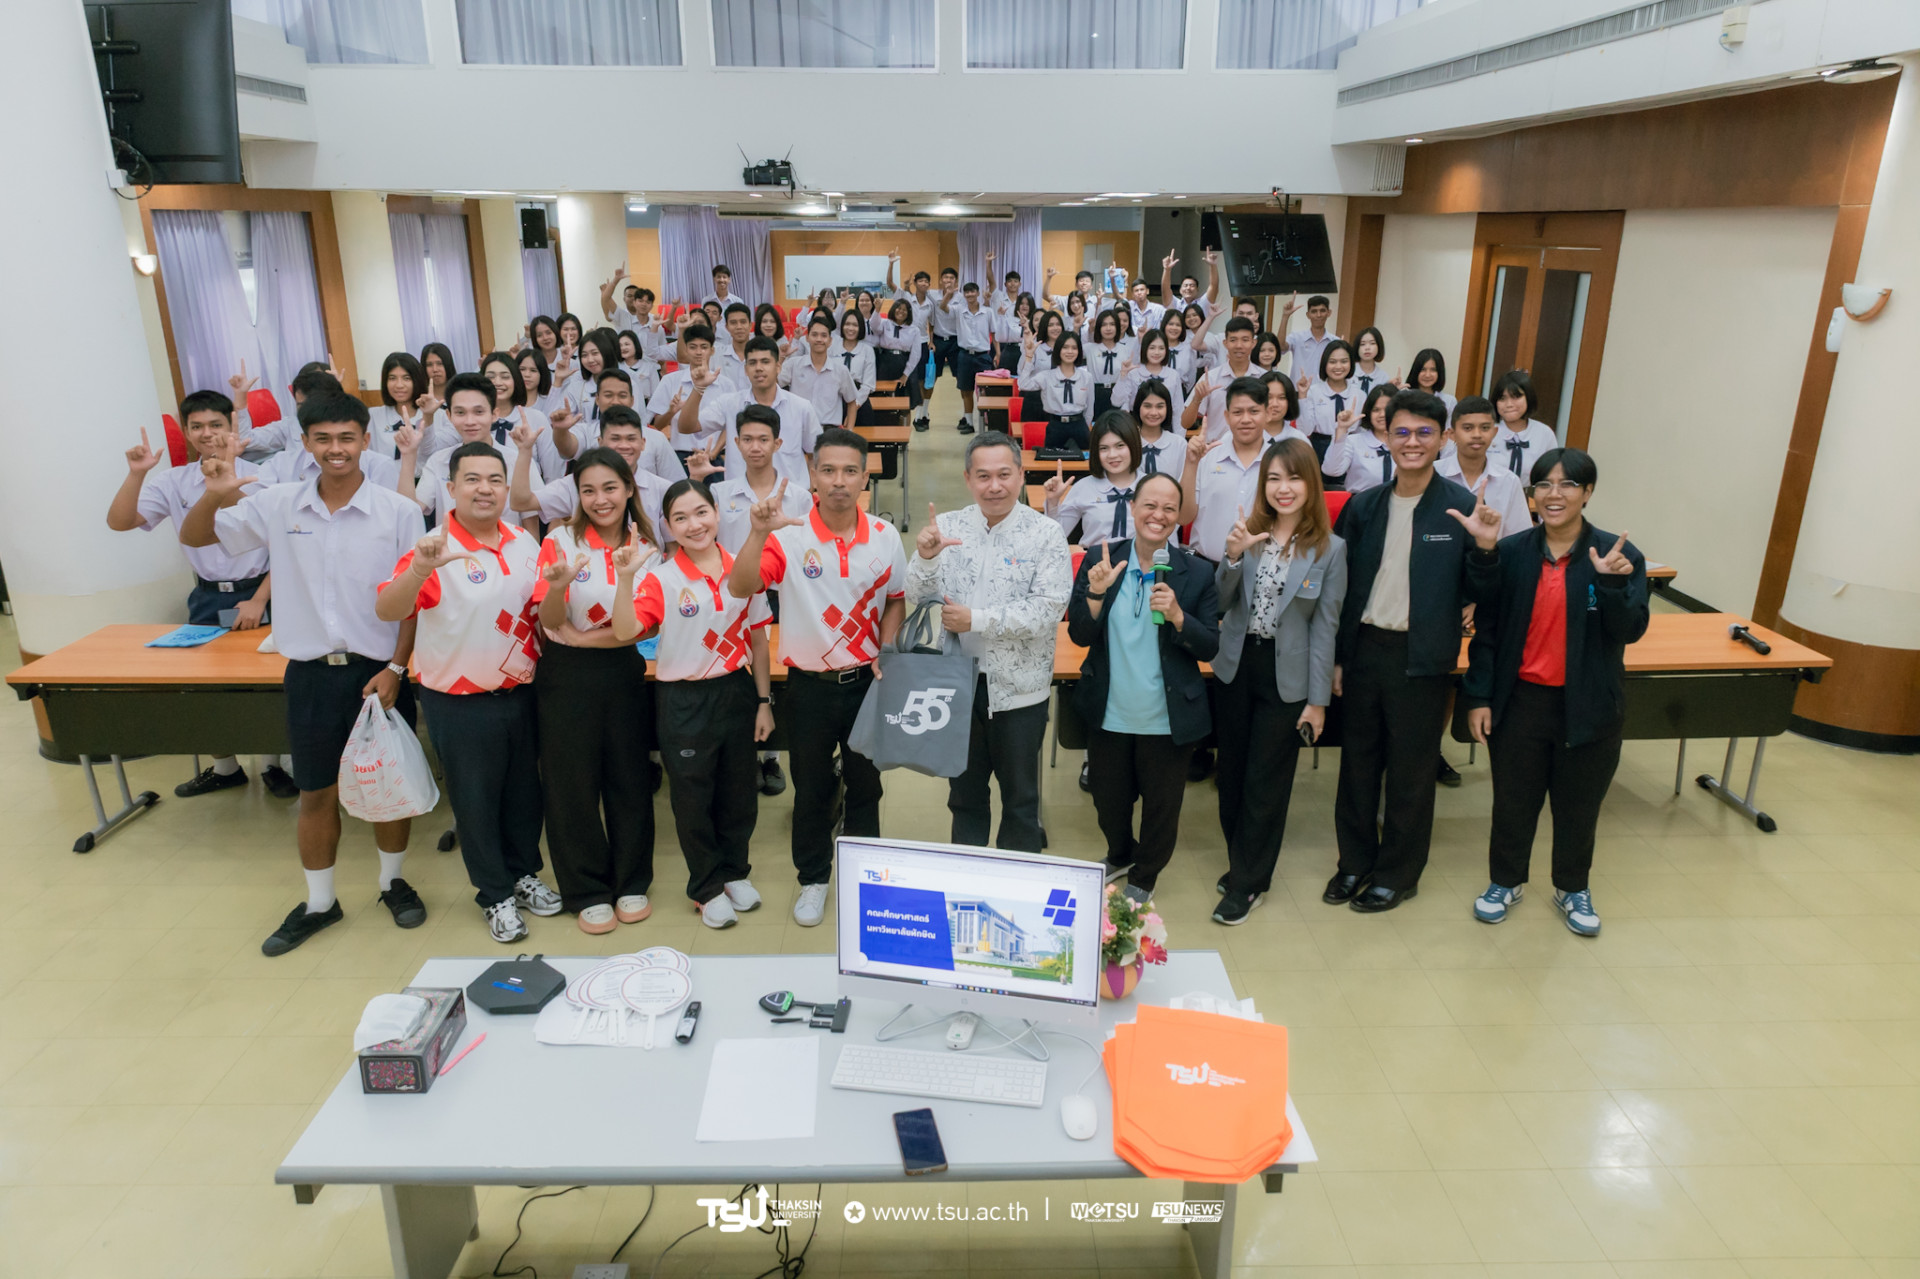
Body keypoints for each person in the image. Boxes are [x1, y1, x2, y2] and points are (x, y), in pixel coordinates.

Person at [180, 388, 426, 956]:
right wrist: (215, 495)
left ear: (365, 440)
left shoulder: (399, 512)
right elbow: (195, 537)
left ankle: (393, 884)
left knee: (387, 790)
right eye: (323, 439)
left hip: (378, 675)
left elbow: (414, 597)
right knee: (315, 793)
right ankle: (320, 903)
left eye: (347, 438)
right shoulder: (278, 503)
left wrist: (397, 667)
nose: (336, 449)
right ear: (306, 443)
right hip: (311, 674)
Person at [376, 440, 561, 943]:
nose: (485, 489)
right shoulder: (434, 547)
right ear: (451, 487)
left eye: (495, 479)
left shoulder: (524, 543)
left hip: (521, 693)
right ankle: (494, 895)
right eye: (472, 480)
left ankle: (523, 875)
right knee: (477, 804)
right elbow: (389, 609)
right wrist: (419, 570)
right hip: (459, 702)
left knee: (524, 796)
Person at [1461, 447, 1647, 938]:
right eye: (1544, 484)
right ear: (1532, 494)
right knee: (1513, 802)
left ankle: (1572, 886)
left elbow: (1630, 631)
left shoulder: (1617, 555)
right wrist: (1478, 697)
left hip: (1588, 703)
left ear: (1588, 492)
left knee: (1578, 806)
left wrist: (1611, 586)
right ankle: (1505, 881)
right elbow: (1488, 630)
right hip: (1521, 701)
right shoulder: (1514, 552)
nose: (1554, 494)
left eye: (1567, 484)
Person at [726, 429, 906, 928]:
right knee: (811, 791)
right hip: (807, 687)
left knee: (866, 786)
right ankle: (814, 879)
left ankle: (866, 874)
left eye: (850, 471)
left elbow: (895, 599)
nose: (838, 481)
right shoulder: (788, 536)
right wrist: (757, 533)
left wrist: (888, 648)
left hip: (868, 684)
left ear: (865, 476)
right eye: (828, 470)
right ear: (813, 475)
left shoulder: (885, 536)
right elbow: (740, 586)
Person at [1326, 389, 1477, 914]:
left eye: (1424, 433)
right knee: (1357, 765)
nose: (1412, 442)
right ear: (1386, 437)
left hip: (1422, 657)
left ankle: (1398, 873)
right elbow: (1340, 589)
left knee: (1411, 772)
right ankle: (1354, 862)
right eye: (1402, 432)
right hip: (1365, 649)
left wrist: (1485, 552)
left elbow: (1480, 589)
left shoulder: (1461, 508)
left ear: (1444, 439)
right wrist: (1338, 658)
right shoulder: (1364, 506)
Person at [106, 393, 296, 800]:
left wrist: (259, 600)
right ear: (187, 432)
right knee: (208, 687)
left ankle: (273, 766)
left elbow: (281, 545)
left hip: (260, 591)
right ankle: (226, 767)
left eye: (215, 425)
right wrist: (137, 474)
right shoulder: (173, 481)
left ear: (232, 425)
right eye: (197, 427)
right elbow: (121, 522)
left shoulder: (263, 476)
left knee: (267, 686)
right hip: (208, 596)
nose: (207, 434)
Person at [614, 479, 774, 928]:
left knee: (739, 794)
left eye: (701, 512)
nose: (694, 524)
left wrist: (764, 701)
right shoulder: (661, 579)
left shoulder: (743, 566)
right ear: (668, 526)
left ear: (717, 513)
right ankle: (705, 887)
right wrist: (625, 579)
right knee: (693, 798)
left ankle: (734, 872)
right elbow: (625, 631)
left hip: (736, 691)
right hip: (683, 699)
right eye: (680, 518)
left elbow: (758, 639)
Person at [907, 433, 1071, 851]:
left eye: (1003, 475)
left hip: (1019, 693)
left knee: (1021, 801)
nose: (994, 486)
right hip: (957, 687)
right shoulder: (948, 526)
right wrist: (925, 558)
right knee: (964, 797)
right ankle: (967, 875)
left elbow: (1048, 608)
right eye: (983, 476)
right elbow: (917, 594)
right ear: (968, 478)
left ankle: (1017, 879)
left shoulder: (1046, 533)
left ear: (1021, 475)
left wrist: (976, 620)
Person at [1067, 474, 1220, 904]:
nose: (1159, 515)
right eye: (1150, 505)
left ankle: (1146, 873)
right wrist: (1096, 595)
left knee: (1161, 807)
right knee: (1108, 801)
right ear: (1132, 507)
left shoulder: (1197, 572)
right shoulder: (1102, 559)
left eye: (1169, 509)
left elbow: (1210, 645)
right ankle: (1120, 853)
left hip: (1166, 717)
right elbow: (1079, 634)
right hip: (1109, 711)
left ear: (1178, 517)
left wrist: (1178, 617)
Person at [1210, 437, 1346, 923]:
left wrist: (1318, 701)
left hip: (1287, 677)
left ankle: (1249, 882)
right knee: (1231, 776)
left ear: (1311, 484)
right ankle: (1242, 862)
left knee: (1265, 783)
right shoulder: (1248, 532)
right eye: (1273, 478)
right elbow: (1220, 603)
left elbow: (1325, 627)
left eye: (1293, 478)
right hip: (1236, 667)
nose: (1283, 488)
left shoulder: (1330, 549)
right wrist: (1231, 557)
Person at [532, 447, 664, 934]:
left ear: (629, 488)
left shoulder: (647, 547)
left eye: (610, 487)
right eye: (588, 490)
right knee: (571, 786)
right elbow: (550, 622)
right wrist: (558, 588)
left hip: (622, 673)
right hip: (564, 677)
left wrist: (583, 636)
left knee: (629, 780)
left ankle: (631, 880)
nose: (600, 499)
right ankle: (586, 889)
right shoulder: (559, 541)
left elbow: (640, 628)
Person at [705, 403, 811, 798]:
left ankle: (771, 756)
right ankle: (742, 754)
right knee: (737, 672)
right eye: (747, 439)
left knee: (777, 673)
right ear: (735, 443)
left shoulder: (798, 496)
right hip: (732, 595)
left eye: (763, 439)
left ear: (778, 443)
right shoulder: (720, 493)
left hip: (781, 594)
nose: (755, 447)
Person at [512, 406, 672, 550]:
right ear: (600, 442)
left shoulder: (663, 489)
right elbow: (521, 502)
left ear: (643, 443)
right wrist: (525, 451)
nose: (624, 446)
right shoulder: (577, 482)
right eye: (615, 439)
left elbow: (673, 547)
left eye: (631, 439)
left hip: (647, 570)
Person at [414, 370, 551, 530]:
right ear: (449, 415)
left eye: (479, 412)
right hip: (451, 545)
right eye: (460, 412)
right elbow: (412, 510)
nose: (470, 421)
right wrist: (408, 454)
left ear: (494, 414)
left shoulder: (518, 461)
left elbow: (530, 525)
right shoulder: (438, 461)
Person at [687, 334, 822, 487]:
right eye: (752, 363)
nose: (759, 368)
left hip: (789, 496)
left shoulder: (801, 407)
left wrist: (810, 489)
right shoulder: (729, 403)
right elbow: (688, 427)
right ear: (746, 369)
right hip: (739, 496)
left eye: (765, 362)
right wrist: (698, 388)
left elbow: (815, 454)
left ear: (778, 367)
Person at [1041, 411, 1147, 550]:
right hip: (1094, 561)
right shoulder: (1084, 487)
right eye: (1104, 448)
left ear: (1134, 445)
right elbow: (1055, 536)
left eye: (1120, 446)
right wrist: (1053, 502)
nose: (1112, 455)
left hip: (1140, 562)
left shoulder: (1151, 486)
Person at [1182, 317, 1265, 444]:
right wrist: (1197, 399)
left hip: (1254, 449)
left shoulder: (1264, 378)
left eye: (1245, 340)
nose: (1239, 345)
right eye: (1233, 340)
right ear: (1225, 343)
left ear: (1253, 343)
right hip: (1216, 449)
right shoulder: (1210, 378)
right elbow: (1185, 423)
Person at [780, 313, 861, 432]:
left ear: (830, 341)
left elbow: (852, 402)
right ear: (807, 338)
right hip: (798, 429)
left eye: (823, 335)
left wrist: (849, 431)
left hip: (829, 432)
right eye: (814, 335)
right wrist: (781, 357)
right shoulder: (793, 364)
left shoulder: (840, 370)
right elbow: (773, 384)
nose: (819, 339)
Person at [1019, 330, 1093, 451]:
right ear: (1058, 350)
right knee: (1053, 460)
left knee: (1083, 461)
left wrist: (1085, 426)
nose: (1070, 351)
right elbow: (1023, 385)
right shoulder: (1047, 376)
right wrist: (1029, 357)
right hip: (1056, 426)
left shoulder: (1086, 377)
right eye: (1065, 347)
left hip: (1079, 426)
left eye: (1074, 348)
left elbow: (1089, 409)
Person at [1320, 382, 1398, 495]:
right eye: (1376, 410)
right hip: (1360, 502)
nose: (1382, 414)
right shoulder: (1354, 441)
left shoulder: (1406, 442)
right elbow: (1331, 470)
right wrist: (1341, 429)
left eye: (1388, 409)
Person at [942, 281, 997, 434]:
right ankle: (969, 422)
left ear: (978, 293)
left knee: (984, 391)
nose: (970, 294)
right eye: (967, 292)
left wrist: (998, 353)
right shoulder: (959, 310)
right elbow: (943, 307)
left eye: (972, 291)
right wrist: (949, 293)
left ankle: (986, 422)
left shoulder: (988, 312)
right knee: (966, 390)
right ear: (964, 295)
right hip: (964, 355)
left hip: (983, 356)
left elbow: (994, 333)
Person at [366, 353, 440, 463]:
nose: (399, 385)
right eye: (392, 378)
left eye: (406, 378)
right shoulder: (372, 415)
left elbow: (431, 453)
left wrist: (428, 416)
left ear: (417, 380)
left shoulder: (437, 414)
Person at [1298, 338, 1358, 465]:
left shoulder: (1359, 394)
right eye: (1332, 362)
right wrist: (1302, 396)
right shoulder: (1313, 391)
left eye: (1344, 361)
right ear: (1324, 363)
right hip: (1319, 448)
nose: (1338, 366)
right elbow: (1305, 430)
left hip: (1349, 449)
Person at [1489, 370, 1559, 479]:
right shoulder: (1488, 431)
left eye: (1516, 397)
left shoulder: (1544, 433)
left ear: (1529, 398)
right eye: (1502, 398)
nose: (1509, 404)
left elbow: (1552, 472)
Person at [870, 297, 927, 427]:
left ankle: (904, 432)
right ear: (893, 309)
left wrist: (906, 374)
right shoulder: (885, 323)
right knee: (883, 399)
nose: (901, 311)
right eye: (898, 308)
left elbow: (916, 353)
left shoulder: (914, 330)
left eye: (904, 310)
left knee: (904, 403)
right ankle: (885, 429)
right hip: (885, 364)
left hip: (904, 365)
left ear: (909, 313)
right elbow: (874, 326)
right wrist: (877, 310)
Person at [1130, 377, 1187, 476]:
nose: (1153, 413)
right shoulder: (1128, 442)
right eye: (1147, 406)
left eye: (1160, 406)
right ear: (1138, 407)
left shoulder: (1179, 444)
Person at [1281, 293, 1339, 386]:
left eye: (1322, 311)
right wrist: (1285, 316)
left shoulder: (1335, 342)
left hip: (1325, 392)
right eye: (1314, 311)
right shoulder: (1297, 338)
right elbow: (1280, 347)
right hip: (1298, 390)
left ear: (1329, 313)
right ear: (1308, 315)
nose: (1318, 315)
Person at [834, 308, 878, 424]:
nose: (850, 328)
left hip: (859, 400)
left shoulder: (867, 350)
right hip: (835, 399)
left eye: (855, 325)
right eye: (847, 324)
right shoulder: (832, 348)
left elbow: (868, 385)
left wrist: (852, 410)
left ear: (861, 328)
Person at [927, 266, 963, 407]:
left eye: (951, 278)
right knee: (932, 376)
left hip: (955, 341)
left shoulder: (961, 298)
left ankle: (966, 414)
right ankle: (923, 413)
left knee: (960, 378)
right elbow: (931, 321)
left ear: (956, 281)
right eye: (946, 277)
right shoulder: (932, 294)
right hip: (938, 340)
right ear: (941, 280)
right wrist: (931, 341)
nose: (948, 280)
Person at [1085, 308, 1130, 418]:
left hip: (1117, 392)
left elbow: (1128, 380)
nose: (1108, 328)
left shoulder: (1125, 350)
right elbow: (1070, 347)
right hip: (1095, 394)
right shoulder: (1089, 348)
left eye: (1112, 324)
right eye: (1104, 325)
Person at [1159, 248, 1220, 323]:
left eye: (1192, 285)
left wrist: (1213, 266)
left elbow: (1214, 286)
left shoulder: (1203, 303)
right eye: (1185, 285)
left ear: (1197, 290)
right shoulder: (1175, 303)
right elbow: (1165, 289)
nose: (1188, 288)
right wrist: (1167, 270)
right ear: (1180, 290)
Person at [1407, 348, 1456, 420]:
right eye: (1423, 369)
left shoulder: (1449, 401)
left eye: (1433, 370)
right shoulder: (1403, 397)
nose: (1427, 375)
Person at [1351, 327, 1394, 396]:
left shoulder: (1383, 377)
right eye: (1363, 344)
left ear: (1379, 346)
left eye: (1372, 343)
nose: (1367, 348)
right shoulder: (1349, 372)